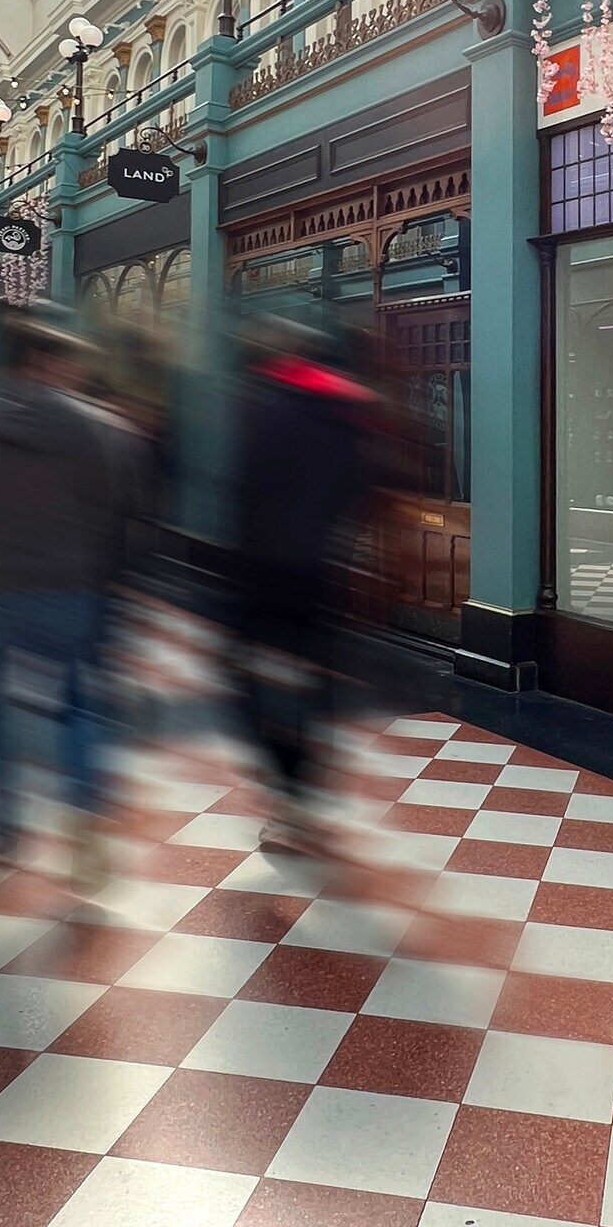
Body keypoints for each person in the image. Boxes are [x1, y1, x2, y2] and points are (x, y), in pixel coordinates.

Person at [0, 309, 134, 889]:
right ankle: (82, 815)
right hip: (75, 587)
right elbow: (118, 514)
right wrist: (114, 585)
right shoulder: (100, 428)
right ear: (47, 361)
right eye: (69, 361)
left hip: (0, 590)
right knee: (79, 702)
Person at [226, 320, 379, 853]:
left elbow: (247, 492)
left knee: (252, 681)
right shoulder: (345, 418)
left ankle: (286, 798)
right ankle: (306, 799)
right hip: (319, 572)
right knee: (313, 683)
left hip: (267, 571)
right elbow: (355, 493)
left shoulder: (266, 411)